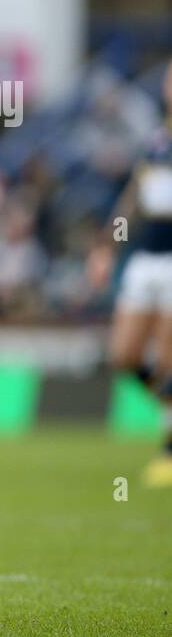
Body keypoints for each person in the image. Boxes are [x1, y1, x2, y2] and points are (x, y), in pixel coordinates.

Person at [105, 60, 172, 488]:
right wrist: (106, 246)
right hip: (146, 256)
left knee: (168, 359)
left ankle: (169, 450)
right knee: (125, 356)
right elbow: (134, 195)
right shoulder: (156, 139)